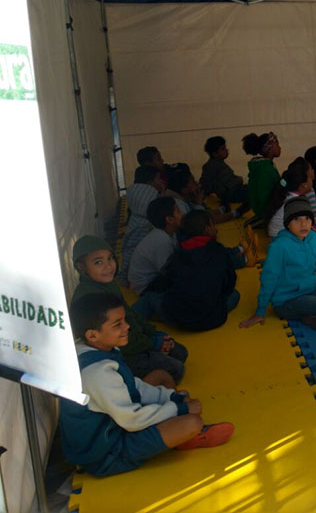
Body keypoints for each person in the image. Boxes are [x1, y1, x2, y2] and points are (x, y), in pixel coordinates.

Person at [59, 293, 233, 477]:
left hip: (116, 422)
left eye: (124, 320)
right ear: (93, 335)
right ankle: (186, 436)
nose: (127, 326)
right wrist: (180, 409)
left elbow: (132, 385)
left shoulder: (96, 348)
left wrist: (172, 398)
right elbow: (132, 419)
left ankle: (173, 430)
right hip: (105, 454)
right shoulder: (97, 374)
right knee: (192, 423)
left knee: (161, 376)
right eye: (118, 324)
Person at [72, 236, 187, 389]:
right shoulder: (90, 298)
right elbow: (117, 340)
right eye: (98, 262)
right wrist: (153, 344)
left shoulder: (109, 284)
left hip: (131, 339)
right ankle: (130, 385)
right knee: (176, 369)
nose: (108, 266)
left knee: (180, 352)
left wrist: (153, 334)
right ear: (81, 267)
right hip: (119, 352)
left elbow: (130, 315)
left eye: (110, 258)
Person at [240, 197, 316, 333]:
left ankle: (314, 312)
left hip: (309, 288)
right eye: (296, 219)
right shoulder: (279, 246)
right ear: (287, 224)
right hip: (287, 300)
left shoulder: (312, 237)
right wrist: (260, 311)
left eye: (307, 218)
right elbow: (268, 279)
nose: (303, 224)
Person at [157, 210, 239, 332]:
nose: (216, 229)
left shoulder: (178, 253)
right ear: (207, 229)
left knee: (151, 298)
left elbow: (167, 282)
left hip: (180, 319)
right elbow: (230, 283)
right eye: (213, 225)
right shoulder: (219, 251)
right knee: (235, 295)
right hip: (213, 317)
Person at [118, 165, 165, 286]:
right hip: (140, 281)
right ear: (150, 182)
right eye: (158, 179)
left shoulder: (135, 209)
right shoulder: (145, 225)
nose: (161, 181)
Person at [128, 197, 181, 295]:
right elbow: (169, 270)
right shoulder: (161, 240)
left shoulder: (167, 233)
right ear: (169, 220)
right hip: (145, 287)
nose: (182, 214)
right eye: (178, 211)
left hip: (153, 279)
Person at [266, 158, 315, 239]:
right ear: (304, 184)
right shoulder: (296, 202)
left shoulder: (287, 193)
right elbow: (303, 228)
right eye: (310, 177)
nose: (313, 178)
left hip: (276, 235)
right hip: (282, 239)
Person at [200, 136, 249, 215]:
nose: (226, 150)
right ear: (215, 154)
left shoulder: (219, 163)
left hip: (237, 190)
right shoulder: (210, 166)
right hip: (233, 193)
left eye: (225, 148)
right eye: (223, 149)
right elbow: (205, 183)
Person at [242, 131, 282, 224]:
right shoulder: (266, 169)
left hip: (260, 209)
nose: (280, 148)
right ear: (269, 148)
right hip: (266, 211)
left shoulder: (260, 166)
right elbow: (266, 195)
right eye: (277, 145)